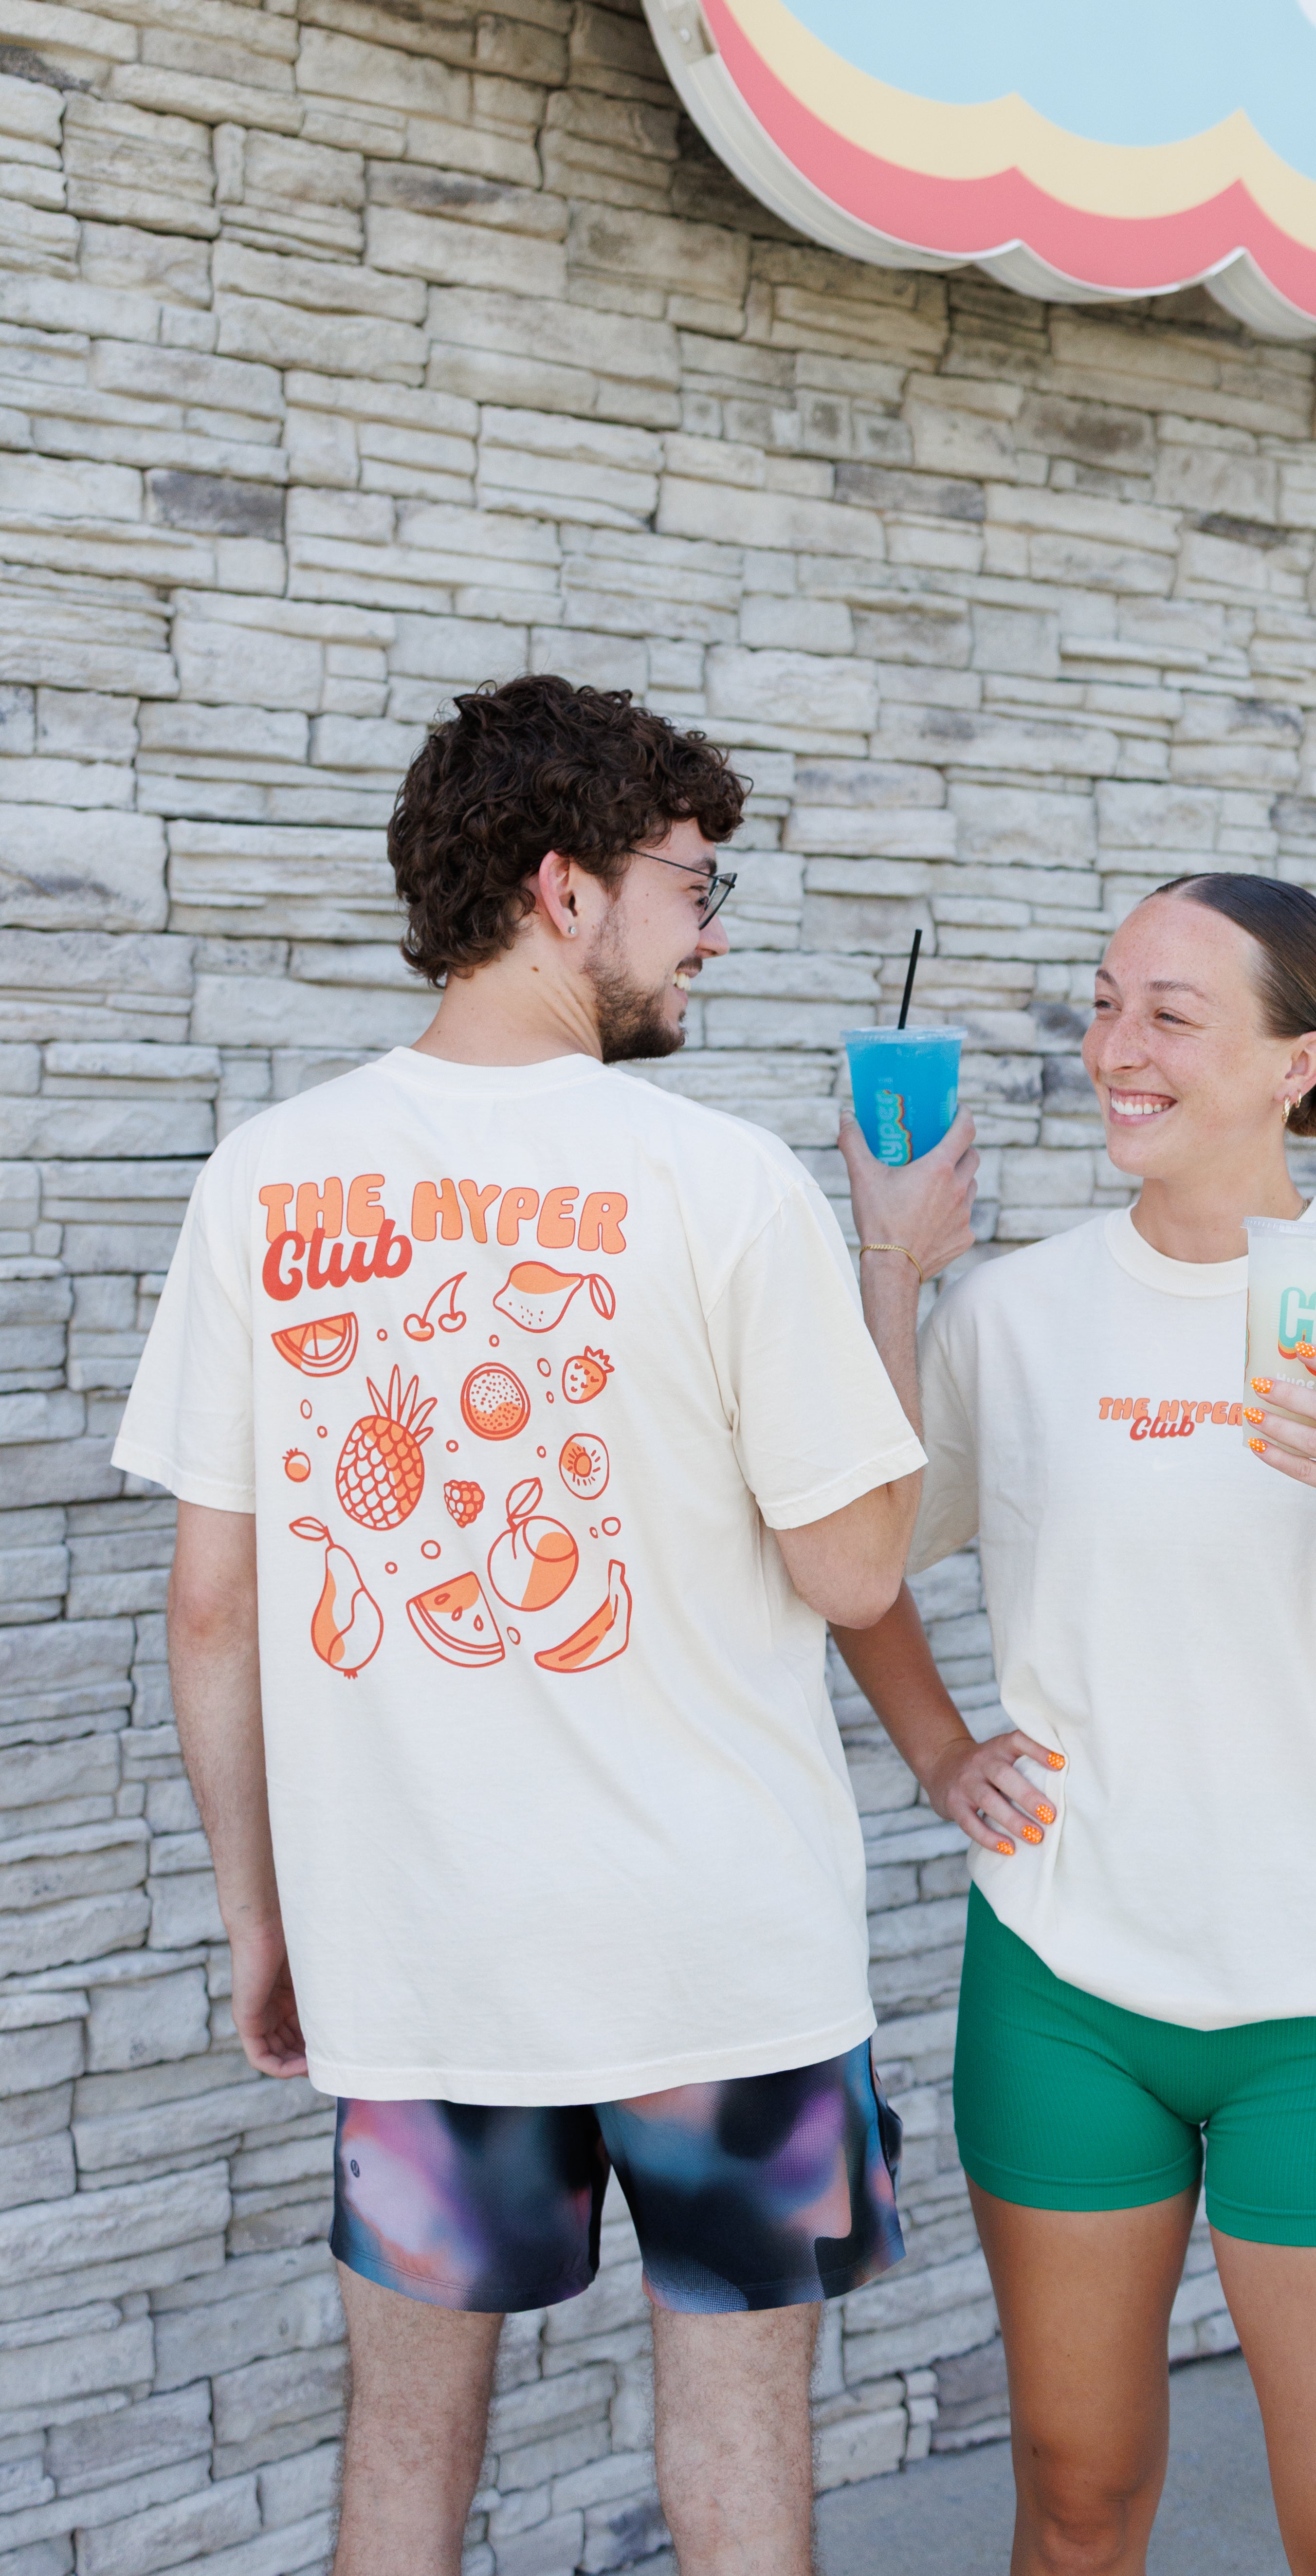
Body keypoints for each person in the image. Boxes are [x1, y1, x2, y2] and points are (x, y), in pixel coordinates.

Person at [114, 676, 978, 2576]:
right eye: (692, 883)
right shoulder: (723, 1182)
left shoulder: (266, 1177)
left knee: (403, 2460)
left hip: (417, 1956)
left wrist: (265, 1920)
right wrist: (895, 1264)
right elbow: (856, 1565)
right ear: (564, 888)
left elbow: (212, 1606)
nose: (712, 932)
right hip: (722, 1967)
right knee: (737, 2454)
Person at [834, 874, 1316, 2576]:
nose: (1115, 1049)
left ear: (1302, 1063)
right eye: (1104, 1005)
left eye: (1169, 1015)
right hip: (1064, 1986)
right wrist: (938, 1747)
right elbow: (855, 1553)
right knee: (1078, 2502)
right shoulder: (1013, 1316)